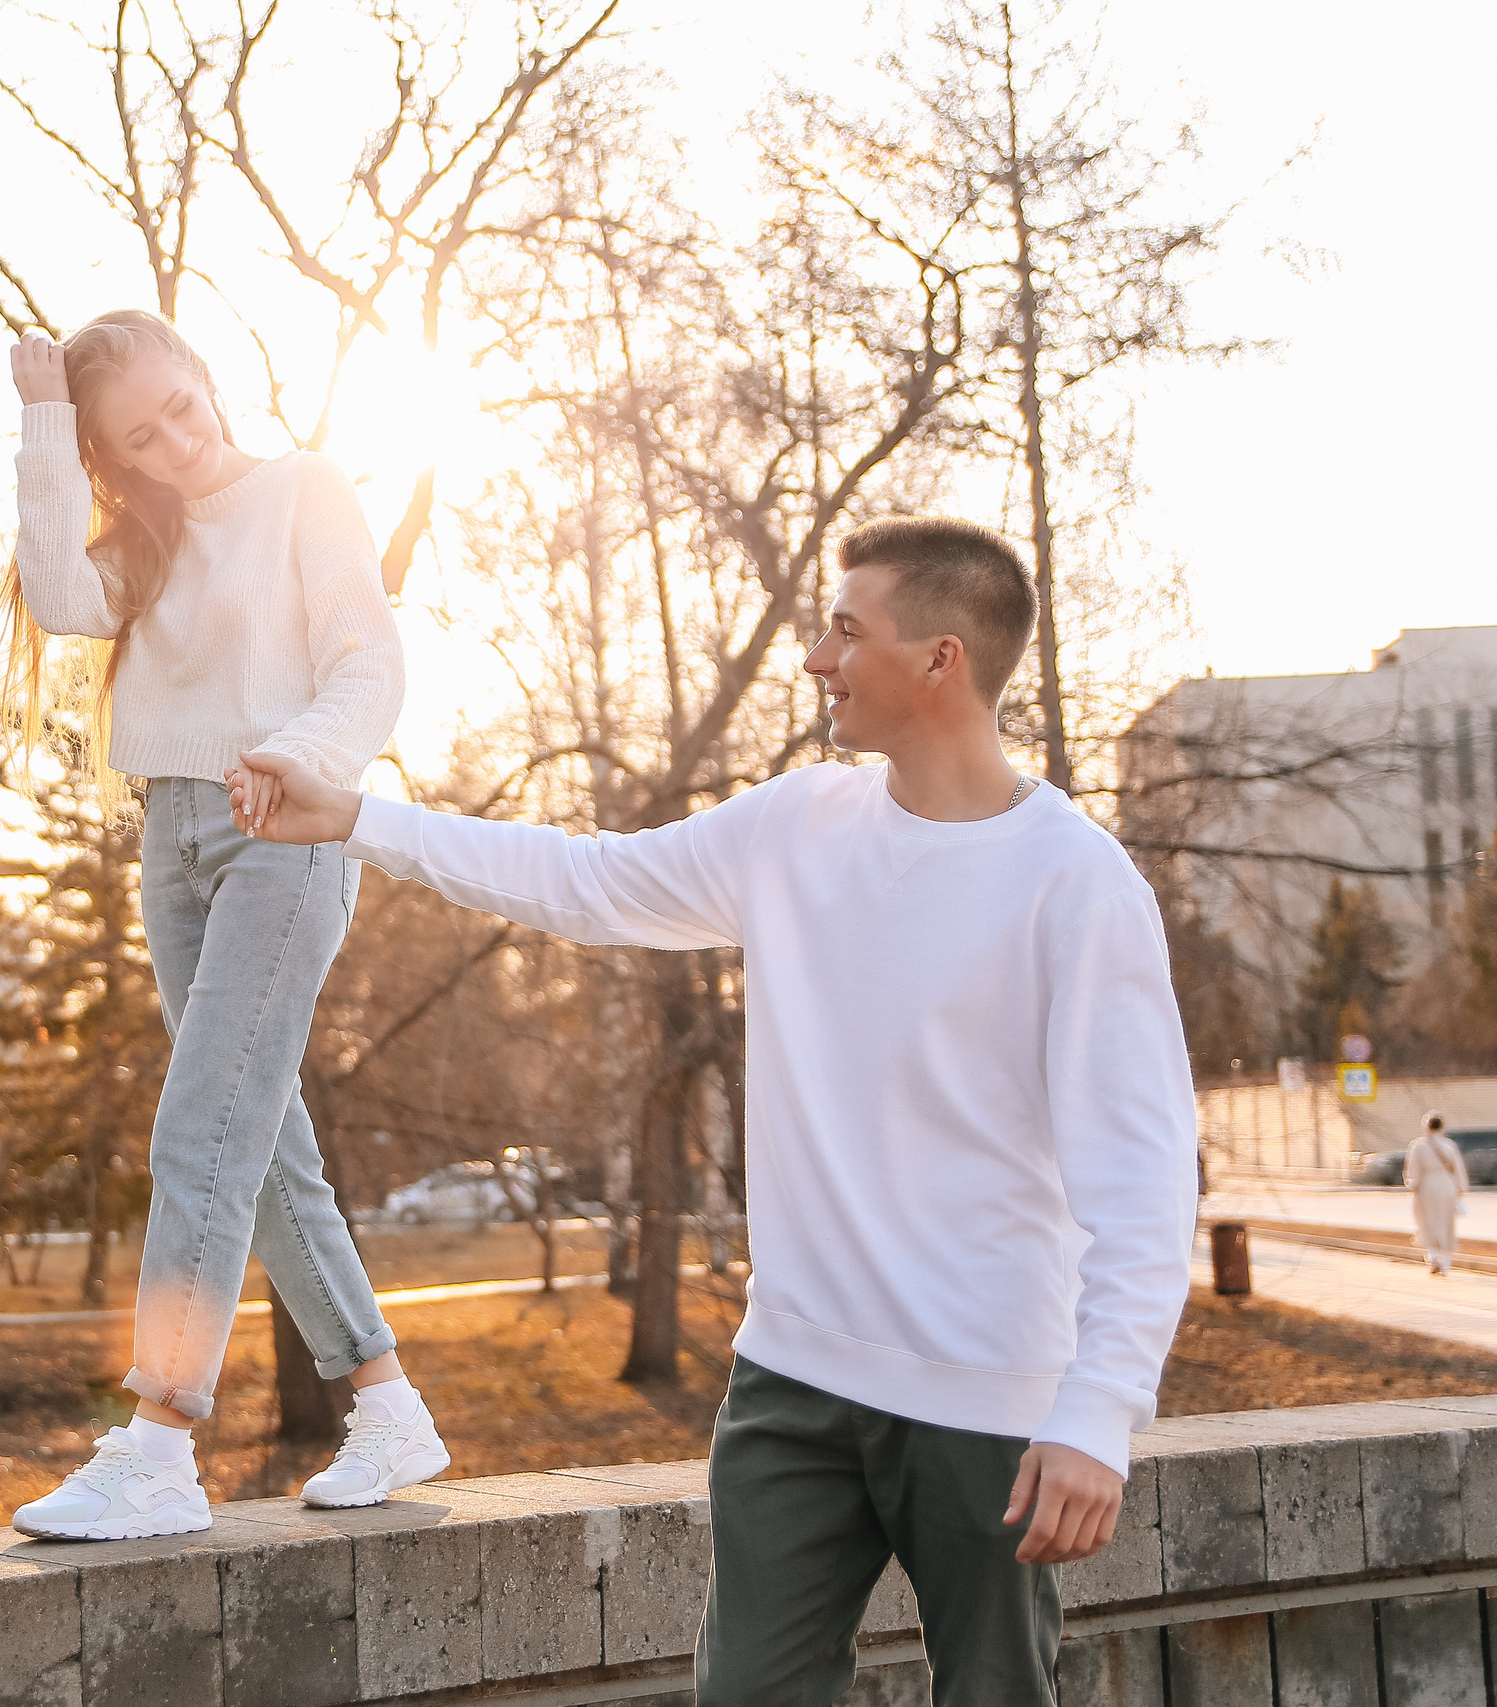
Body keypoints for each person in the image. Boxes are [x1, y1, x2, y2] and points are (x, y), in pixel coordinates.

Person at [227, 517, 1199, 1704]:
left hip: (987, 1405)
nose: (814, 659)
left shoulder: (1076, 884)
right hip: (792, 1387)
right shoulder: (798, 826)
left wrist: (1097, 1411)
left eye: (847, 631)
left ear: (940, 660)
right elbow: (584, 882)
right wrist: (357, 817)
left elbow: (1142, 1182)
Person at [0, 311, 448, 1543]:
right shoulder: (142, 540)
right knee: (260, 1139)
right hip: (174, 835)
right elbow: (52, 594)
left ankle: (158, 1443)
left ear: (207, 381)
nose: (174, 444)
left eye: (180, 410)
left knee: (201, 1122)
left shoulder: (305, 490)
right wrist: (45, 421)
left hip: (288, 828)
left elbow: (369, 666)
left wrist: (293, 758)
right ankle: (387, 1403)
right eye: (138, 439)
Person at [1406, 1112, 1469, 1276]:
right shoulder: (1449, 1145)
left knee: (1428, 1222)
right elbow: (1458, 1169)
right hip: (1447, 1186)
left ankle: (1433, 1257)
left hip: (1427, 1186)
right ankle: (1446, 1263)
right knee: (1447, 1223)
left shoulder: (1418, 1146)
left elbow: (1413, 1171)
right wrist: (1460, 1188)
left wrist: (1413, 1185)